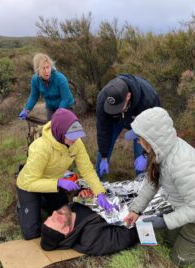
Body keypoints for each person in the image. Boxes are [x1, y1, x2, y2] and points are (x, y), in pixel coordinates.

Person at [124, 107, 195, 268]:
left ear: (152, 139)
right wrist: (136, 209)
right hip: (185, 208)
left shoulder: (183, 164)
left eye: (140, 138)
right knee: (168, 240)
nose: (138, 142)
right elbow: (152, 182)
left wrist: (164, 221)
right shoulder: (161, 151)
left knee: (179, 260)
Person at [16, 108, 113, 240]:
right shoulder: (40, 148)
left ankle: (42, 201)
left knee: (67, 214)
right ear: (60, 132)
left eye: (77, 135)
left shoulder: (76, 144)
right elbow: (30, 182)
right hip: (29, 184)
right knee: (31, 233)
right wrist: (59, 183)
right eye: (72, 136)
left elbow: (87, 170)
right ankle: (24, 204)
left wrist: (100, 192)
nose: (76, 139)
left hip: (51, 183)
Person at [96, 73, 161, 179]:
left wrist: (145, 154)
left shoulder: (148, 99)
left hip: (140, 124)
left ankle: (140, 183)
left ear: (128, 96)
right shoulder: (103, 99)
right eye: (112, 107)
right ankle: (97, 183)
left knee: (139, 151)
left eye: (118, 107)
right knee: (104, 149)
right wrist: (104, 156)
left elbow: (153, 127)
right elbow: (103, 130)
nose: (114, 110)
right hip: (116, 120)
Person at [41, 202, 139, 255]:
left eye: (50, 217)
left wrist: (84, 193)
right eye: (56, 219)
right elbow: (125, 237)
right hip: (135, 206)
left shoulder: (69, 210)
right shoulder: (90, 239)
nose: (54, 212)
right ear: (66, 231)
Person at [19, 53, 74, 121]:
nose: (46, 71)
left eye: (48, 67)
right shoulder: (35, 79)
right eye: (43, 68)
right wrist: (26, 110)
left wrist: (58, 114)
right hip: (50, 108)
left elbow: (66, 99)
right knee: (50, 130)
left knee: (64, 129)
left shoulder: (60, 78)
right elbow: (34, 96)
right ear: (38, 70)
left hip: (66, 107)